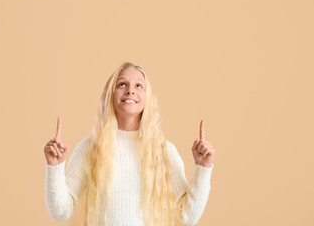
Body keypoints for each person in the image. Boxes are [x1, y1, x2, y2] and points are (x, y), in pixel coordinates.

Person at [44, 62, 215, 226]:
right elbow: (60, 212)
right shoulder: (89, 149)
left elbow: (189, 215)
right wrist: (55, 167)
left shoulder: (163, 151)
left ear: (147, 97)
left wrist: (203, 167)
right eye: (122, 84)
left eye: (138, 86)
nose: (130, 91)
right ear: (110, 94)